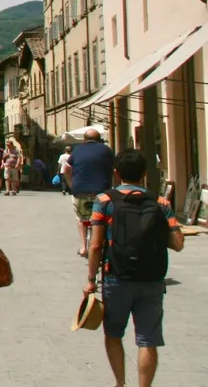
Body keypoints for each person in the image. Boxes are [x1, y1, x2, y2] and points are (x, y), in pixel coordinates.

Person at [85, 149, 184, 387]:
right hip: (152, 278)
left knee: (113, 334)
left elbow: (95, 245)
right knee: (148, 339)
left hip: (115, 276)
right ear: (145, 174)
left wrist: (91, 279)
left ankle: (120, 383)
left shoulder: (104, 200)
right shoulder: (160, 202)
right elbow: (178, 244)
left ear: (116, 173)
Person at [64, 129, 114, 257]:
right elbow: (115, 169)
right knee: (104, 217)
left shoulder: (77, 150)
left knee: (81, 218)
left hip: (80, 191)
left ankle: (83, 247)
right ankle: (103, 242)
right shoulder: (106, 150)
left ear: (84, 140)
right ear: (99, 139)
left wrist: (71, 185)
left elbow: (66, 169)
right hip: (102, 191)